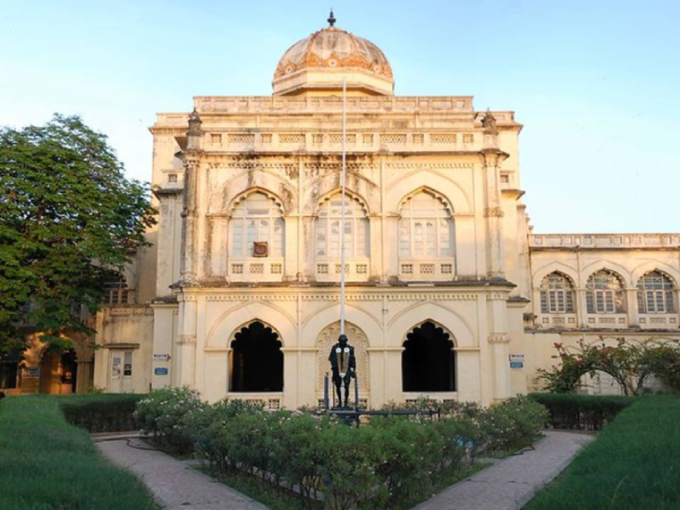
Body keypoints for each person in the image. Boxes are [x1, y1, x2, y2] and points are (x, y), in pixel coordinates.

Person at [328, 333, 356, 408]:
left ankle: (346, 402)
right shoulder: (335, 348)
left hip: (347, 369)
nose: (342, 342)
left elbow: (353, 359)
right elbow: (331, 358)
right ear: (339, 341)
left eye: (344, 341)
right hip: (337, 370)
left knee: (346, 385)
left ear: (346, 341)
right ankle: (340, 402)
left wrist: (353, 370)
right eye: (341, 341)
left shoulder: (350, 348)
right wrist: (334, 368)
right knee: (338, 385)